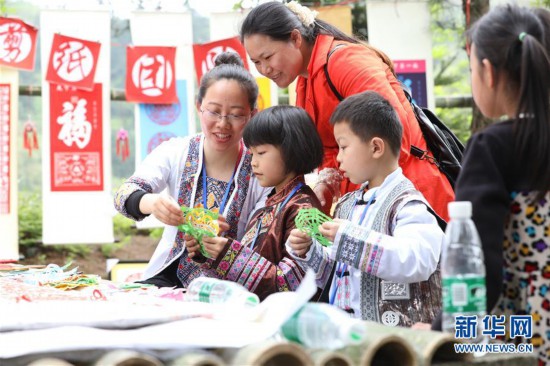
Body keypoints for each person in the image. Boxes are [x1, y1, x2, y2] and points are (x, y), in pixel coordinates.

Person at [240, 0, 454, 220]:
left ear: (295, 38)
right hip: (368, 203)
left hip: (411, 200)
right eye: (256, 62)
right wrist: (327, 184)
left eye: (268, 57)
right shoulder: (305, 80)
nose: (264, 69)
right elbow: (331, 152)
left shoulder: (346, 62)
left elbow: (394, 140)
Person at [287, 91, 443, 327]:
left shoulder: (408, 205)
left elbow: (417, 260)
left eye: (343, 147)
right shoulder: (348, 205)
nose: (338, 158)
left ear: (376, 148)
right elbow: (335, 274)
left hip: (394, 344)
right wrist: (309, 250)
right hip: (348, 335)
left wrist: (349, 238)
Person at [114, 52, 269, 288]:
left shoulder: (262, 167)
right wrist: (152, 202)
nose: (223, 124)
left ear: (252, 116)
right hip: (168, 275)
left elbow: (264, 241)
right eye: (214, 111)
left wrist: (227, 249)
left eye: (236, 115)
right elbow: (124, 194)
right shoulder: (177, 151)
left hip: (230, 285)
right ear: (199, 107)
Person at [451, 5, 550, 363]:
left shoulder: (493, 147)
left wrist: (440, 333)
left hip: (529, 335)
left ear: (488, 72)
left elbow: (480, 272)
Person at [185, 106, 324, 300]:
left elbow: (290, 286)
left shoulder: (305, 210)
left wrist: (227, 254)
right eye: (251, 154)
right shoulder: (270, 202)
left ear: (292, 150)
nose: (253, 162)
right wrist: (208, 251)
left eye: (261, 152)